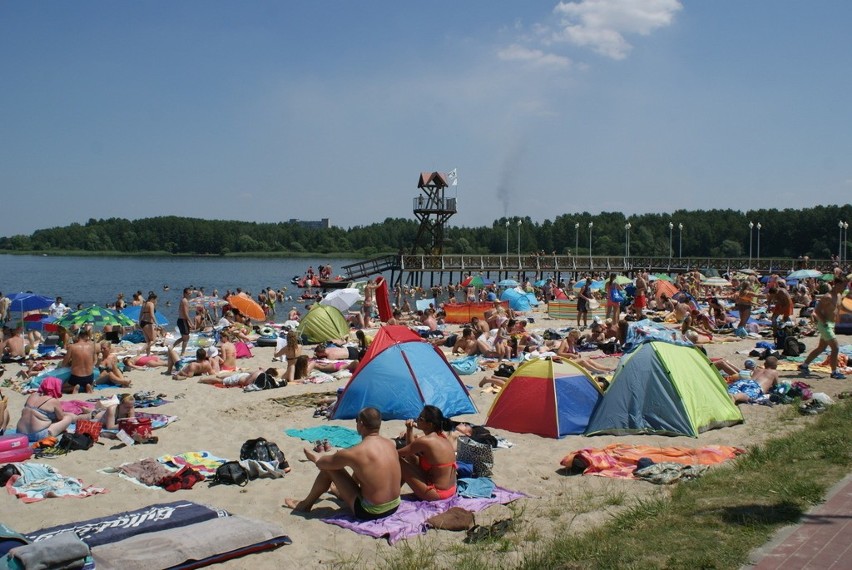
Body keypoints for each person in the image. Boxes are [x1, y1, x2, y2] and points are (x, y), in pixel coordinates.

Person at [284, 407, 402, 520]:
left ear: (360, 423)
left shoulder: (355, 452)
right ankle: (340, 492)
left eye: (356, 421)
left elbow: (322, 464)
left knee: (329, 469)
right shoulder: (390, 444)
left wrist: (315, 458)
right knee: (361, 467)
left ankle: (304, 505)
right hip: (395, 505)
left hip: (371, 512)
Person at [397, 405, 457, 501]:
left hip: (437, 493)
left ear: (430, 425)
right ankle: (394, 492)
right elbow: (411, 453)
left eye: (420, 418)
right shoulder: (441, 436)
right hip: (451, 490)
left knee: (399, 461)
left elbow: (397, 454)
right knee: (412, 459)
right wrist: (409, 429)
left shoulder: (426, 441)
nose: (416, 420)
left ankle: (391, 495)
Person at [799, 279, 847, 379]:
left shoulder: (838, 296)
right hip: (825, 325)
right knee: (835, 348)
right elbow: (816, 311)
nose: (845, 287)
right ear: (837, 284)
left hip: (831, 325)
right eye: (843, 285)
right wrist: (824, 322)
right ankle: (834, 372)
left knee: (821, 348)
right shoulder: (827, 297)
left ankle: (804, 365)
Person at [16, 377, 77, 442]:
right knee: (68, 418)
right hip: (38, 435)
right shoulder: (53, 401)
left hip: (20, 433)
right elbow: (60, 418)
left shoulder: (32, 395)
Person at [61, 329, 97, 394]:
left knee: (62, 388)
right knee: (90, 381)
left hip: (76, 378)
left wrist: (67, 365)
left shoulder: (72, 347)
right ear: (86, 336)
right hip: (89, 377)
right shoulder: (92, 346)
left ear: (78, 336)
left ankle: (74, 387)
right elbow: (95, 360)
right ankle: (88, 386)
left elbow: (64, 363)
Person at [198, 367, 281, 387]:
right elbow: (248, 382)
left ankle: (205, 379)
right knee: (220, 381)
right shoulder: (260, 374)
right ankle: (203, 379)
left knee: (222, 379)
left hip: (243, 376)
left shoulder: (261, 373)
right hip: (239, 379)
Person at [173, 287, 191, 356]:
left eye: (190, 294)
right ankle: (182, 352)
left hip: (181, 320)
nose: (190, 295)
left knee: (185, 337)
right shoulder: (185, 301)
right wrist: (191, 323)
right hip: (183, 320)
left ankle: (172, 346)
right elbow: (186, 314)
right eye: (188, 294)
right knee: (186, 338)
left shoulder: (183, 300)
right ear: (185, 294)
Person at [140, 292, 158, 356]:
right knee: (154, 340)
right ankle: (140, 351)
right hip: (148, 323)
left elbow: (141, 314)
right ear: (152, 299)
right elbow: (152, 315)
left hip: (142, 323)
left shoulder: (144, 304)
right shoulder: (151, 304)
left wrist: (139, 322)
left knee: (148, 341)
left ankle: (148, 355)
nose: (156, 301)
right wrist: (157, 323)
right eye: (155, 299)